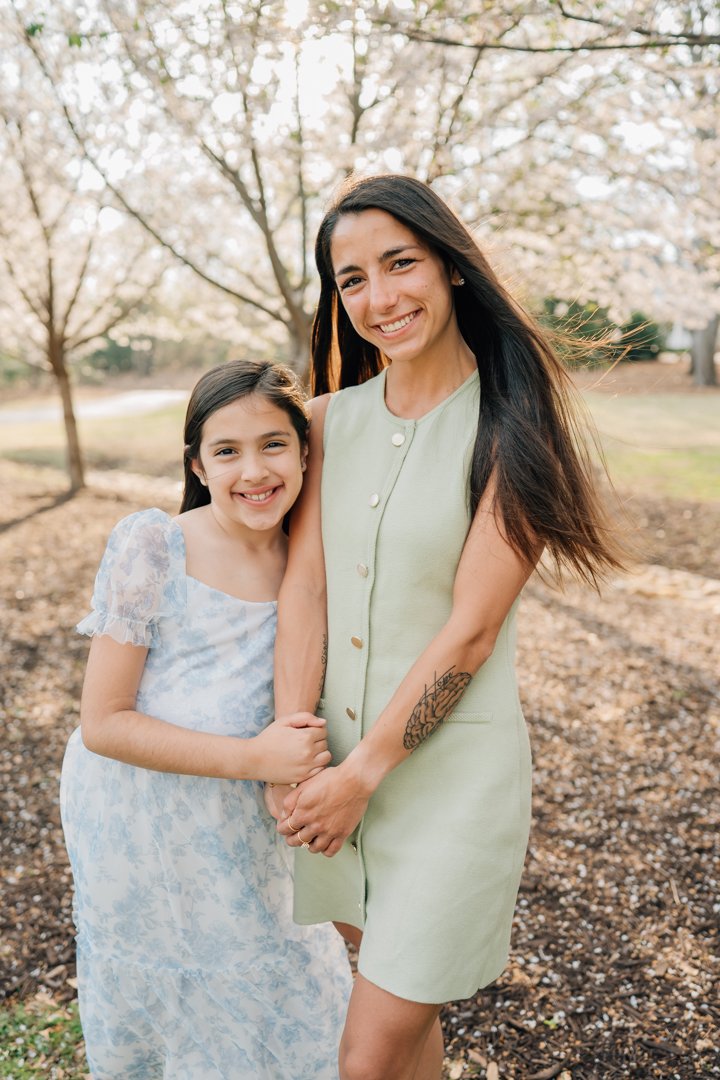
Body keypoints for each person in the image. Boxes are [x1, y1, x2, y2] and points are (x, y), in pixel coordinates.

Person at [269, 174, 628, 1080]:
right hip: (335, 775)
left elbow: (472, 631)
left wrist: (361, 775)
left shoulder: (516, 430)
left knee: (366, 1057)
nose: (380, 298)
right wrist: (293, 749)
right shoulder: (323, 425)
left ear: (452, 268)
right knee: (401, 1023)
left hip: (447, 786)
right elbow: (304, 591)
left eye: (401, 264)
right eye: (353, 280)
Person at [60, 360, 353, 1080]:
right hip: (144, 821)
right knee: (175, 999)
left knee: (286, 989)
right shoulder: (155, 547)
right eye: (226, 451)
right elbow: (103, 722)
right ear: (197, 464)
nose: (253, 471)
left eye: (274, 444)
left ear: (306, 452)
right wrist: (257, 760)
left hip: (248, 827)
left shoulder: (317, 559)